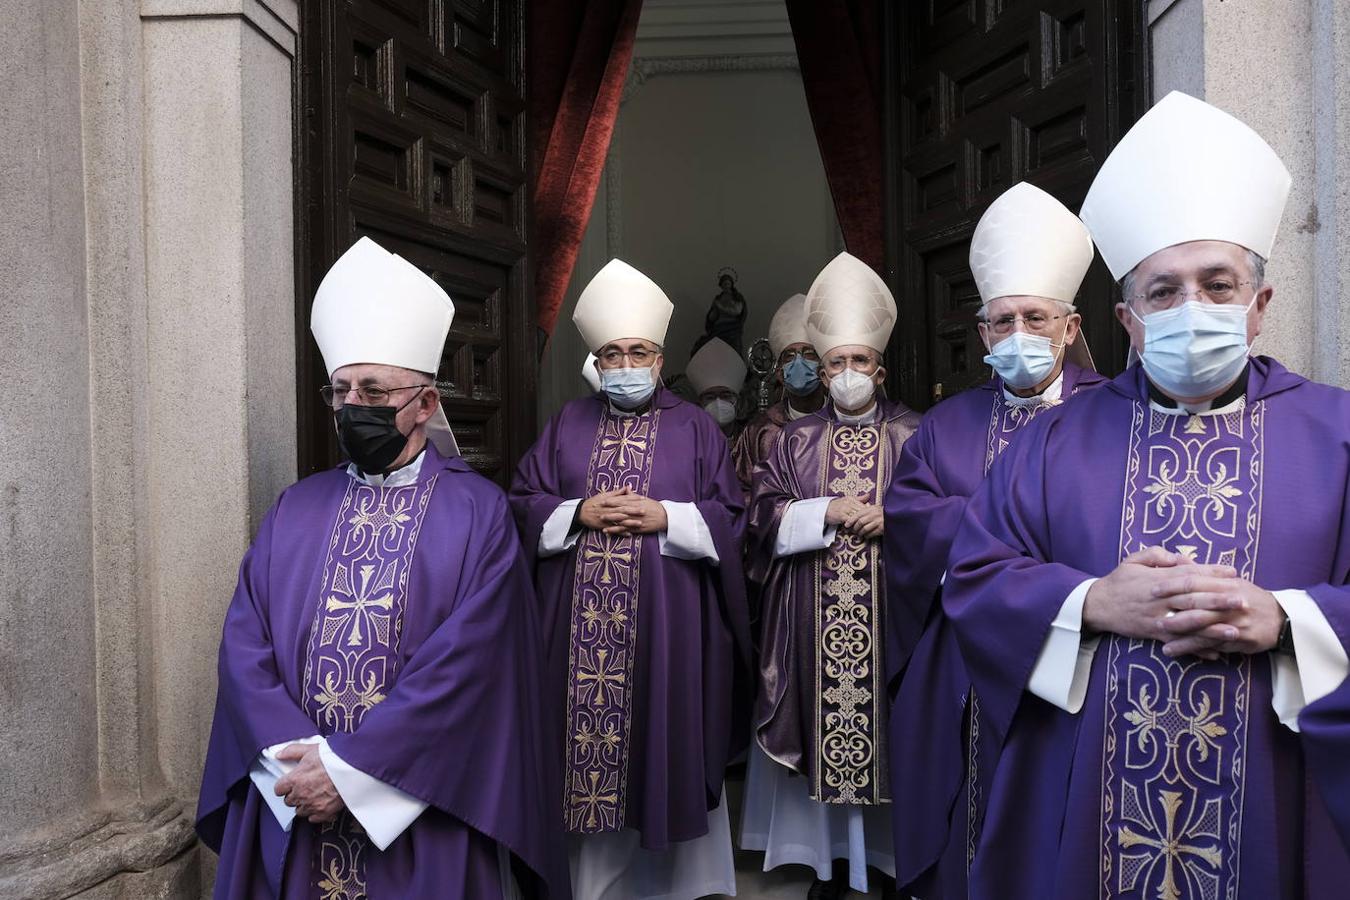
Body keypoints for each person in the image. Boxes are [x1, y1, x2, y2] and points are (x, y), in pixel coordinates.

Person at [945, 91, 1350, 898]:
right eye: (1164, 293)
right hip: (1091, 794)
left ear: (1259, 306)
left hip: (1276, 790)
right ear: (1128, 320)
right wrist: (1092, 602)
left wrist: (1289, 621)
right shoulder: (1051, 442)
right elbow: (974, 578)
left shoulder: (1337, 435)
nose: (1191, 308)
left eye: (1217, 285)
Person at [196, 237, 568, 899]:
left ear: (425, 404)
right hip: (293, 792)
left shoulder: (478, 514)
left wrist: (350, 771)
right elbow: (244, 644)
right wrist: (298, 761)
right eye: (340, 391)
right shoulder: (295, 508)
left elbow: (472, 668)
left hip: (422, 803)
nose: (352, 405)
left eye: (372, 389)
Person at [883, 181, 1106, 898]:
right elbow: (910, 522)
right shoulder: (944, 427)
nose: (1017, 337)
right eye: (1001, 322)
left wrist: (978, 518)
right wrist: (1012, 525)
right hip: (961, 663)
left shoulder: (1110, 416)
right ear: (981, 335)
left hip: (1076, 658)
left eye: (1034, 318)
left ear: (1069, 328)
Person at [509, 258, 753, 900]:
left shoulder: (697, 427)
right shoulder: (567, 422)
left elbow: (734, 517)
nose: (625, 365)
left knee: (660, 746)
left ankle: (679, 887)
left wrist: (667, 514)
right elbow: (522, 499)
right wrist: (577, 511)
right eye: (612, 354)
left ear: (659, 354)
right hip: (574, 636)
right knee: (579, 758)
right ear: (597, 359)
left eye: (637, 352)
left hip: (669, 634)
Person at [740, 251, 921, 899]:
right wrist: (823, 510)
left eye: (859, 362)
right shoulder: (794, 439)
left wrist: (893, 519)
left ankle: (891, 860)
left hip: (889, 612)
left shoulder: (915, 434)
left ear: (881, 366)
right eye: (836, 363)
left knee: (894, 729)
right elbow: (759, 516)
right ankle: (833, 863)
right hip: (810, 613)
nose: (848, 375)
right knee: (824, 729)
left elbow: (944, 516)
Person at [731, 293, 826, 498]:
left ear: (824, 367)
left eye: (809, 354)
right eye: (789, 356)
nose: (799, 363)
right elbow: (742, 493)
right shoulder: (759, 431)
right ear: (780, 372)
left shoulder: (840, 422)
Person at [687, 336, 749, 437]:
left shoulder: (749, 440)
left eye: (726, 395)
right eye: (710, 397)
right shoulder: (690, 439)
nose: (718, 403)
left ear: (739, 403)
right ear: (699, 404)